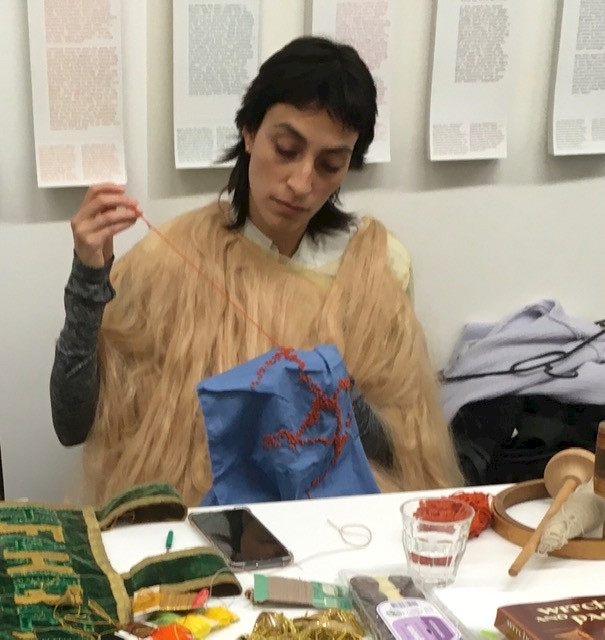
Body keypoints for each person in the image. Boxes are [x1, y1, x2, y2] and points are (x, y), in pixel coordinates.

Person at [50, 36, 463, 506]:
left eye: (330, 164)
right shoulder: (168, 261)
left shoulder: (375, 268)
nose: (302, 183)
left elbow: (405, 455)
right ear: (249, 132)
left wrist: (338, 401)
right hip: (196, 527)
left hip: (332, 526)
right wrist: (88, 275)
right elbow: (71, 423)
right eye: (286, 149)